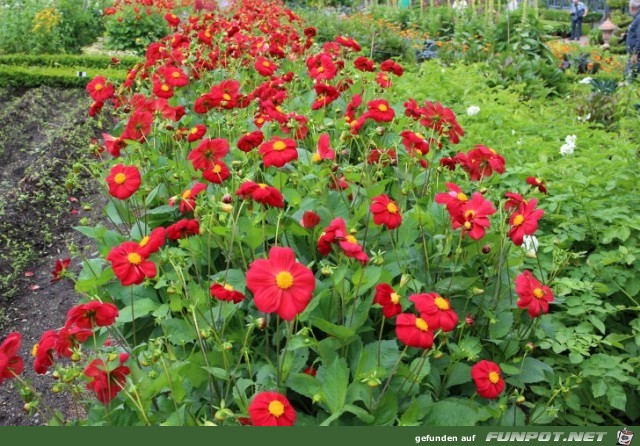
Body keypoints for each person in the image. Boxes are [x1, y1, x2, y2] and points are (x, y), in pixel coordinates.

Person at [627, 0, 640, 78]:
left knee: (631, 77)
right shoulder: (637, 17)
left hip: (636, 55)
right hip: (635, 53)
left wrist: (635, 53)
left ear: (632, 8)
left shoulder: (639, 18)